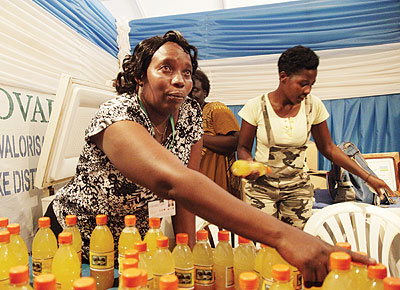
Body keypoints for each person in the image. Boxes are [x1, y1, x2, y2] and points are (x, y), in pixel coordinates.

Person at [45, 32, 373, 287]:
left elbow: (187, 195)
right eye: (166, 68)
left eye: (187, 72)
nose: (179, 80)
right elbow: (172, 182)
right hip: (78, 238)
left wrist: (183, 248)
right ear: (139, 77)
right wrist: (285, 235)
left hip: (135, 242)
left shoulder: (187, 114)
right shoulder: (117, 116)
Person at [237, 45, 394, 229]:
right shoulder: (256, 106)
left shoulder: (314, 106)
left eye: (311, 84)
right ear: (283, 77)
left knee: (297, 245)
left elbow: (329, 148)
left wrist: (368, 177)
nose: (308, 90)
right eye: (303, 83)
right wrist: (249, 164)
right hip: (262, 190)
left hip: (297, 190)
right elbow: (243, 148)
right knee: (261, 246)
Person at [190, 69, 241, 198]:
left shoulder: (216, 109)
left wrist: (196, 136)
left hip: (218, 188)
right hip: (192, 187)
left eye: (195, 90)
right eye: (188, 90)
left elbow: (235, 141)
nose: (191, 95)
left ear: (205, 93)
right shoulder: (180, 117)